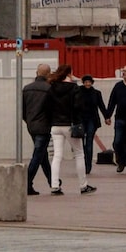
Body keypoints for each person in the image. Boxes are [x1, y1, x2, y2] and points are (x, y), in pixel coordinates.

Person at [45, 64, 78, 195]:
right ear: (69, 73)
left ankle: (54, 185)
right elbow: (77, 106)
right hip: (69, 124)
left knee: (56, 156)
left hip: (55, 125)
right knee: (79, 153)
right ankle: (83, 184)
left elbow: (47, 107)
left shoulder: (52, 88)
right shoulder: (73, 88)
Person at [21, 63, 53, 195]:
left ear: (36, 72)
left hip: (31, 126)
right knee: (38, 155)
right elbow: (52, 110)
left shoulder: (27, 88)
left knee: (42, 155)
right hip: (44, 126)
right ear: (48, 74)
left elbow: (23, 109)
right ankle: (26, 182)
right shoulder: (49, 89)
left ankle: (53, 182)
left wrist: (28, 121)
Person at [72, 74, 105, 194]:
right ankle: (84, 163)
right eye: (85, 82)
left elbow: (101, 105)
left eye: (89, 82)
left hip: (92, 120)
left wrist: (106, 116)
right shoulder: (78, 92)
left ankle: (88, 166)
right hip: (81, 120)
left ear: (92, 82)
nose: (87, 84)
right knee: (81, 142)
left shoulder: (96, 93)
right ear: (83, 82)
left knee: (89, 141)